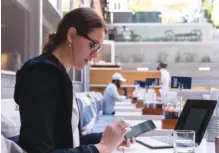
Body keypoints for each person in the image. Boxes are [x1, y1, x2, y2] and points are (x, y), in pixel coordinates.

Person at [14, 8, 134, 153]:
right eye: (93, 45)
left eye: (99, 48)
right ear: (72, 35)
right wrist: (101, 148)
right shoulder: (42, 74)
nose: (95, 55)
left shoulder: (57, 74)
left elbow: (68, 141)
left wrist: (108, 138)